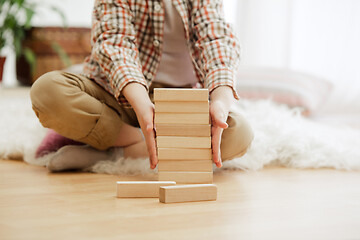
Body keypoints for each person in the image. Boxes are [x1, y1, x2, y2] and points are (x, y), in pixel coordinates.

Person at [30, 0, 254, 172]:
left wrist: (220, 102)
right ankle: (135, 140)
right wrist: (142, 104)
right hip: (114, 92)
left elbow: (216, 38)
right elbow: (114, 42)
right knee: (47, 92)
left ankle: (116, 153)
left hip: (176, 100)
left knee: (239, 133)